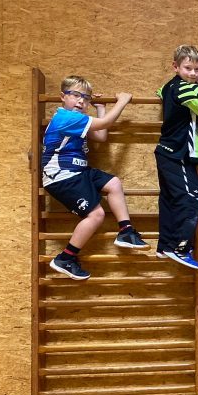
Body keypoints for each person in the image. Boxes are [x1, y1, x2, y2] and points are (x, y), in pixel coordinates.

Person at [41, 75, 147, 281]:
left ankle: (126, 231)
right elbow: (106, 123)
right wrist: (122, 101)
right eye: (75, 95)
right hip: (61, 177)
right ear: (63, 97)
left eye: (86, 98)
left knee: (113, 183)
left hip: (78, 171)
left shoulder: (76, 121)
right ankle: (66, 258)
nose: (81, 101)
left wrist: (100, 108)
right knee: (96, 215)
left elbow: (100, 136)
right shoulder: (66, 118)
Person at [154, 44, 198, 270]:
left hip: (170, 153)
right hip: (177, 153)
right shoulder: (187, 89)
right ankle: (179, 247)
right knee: (192, 199)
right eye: (188, 68)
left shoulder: (169, 87)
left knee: (170, 201)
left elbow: (160, 92)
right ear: (175, 66)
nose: (193, 74)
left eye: (197, 69)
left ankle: (165, 246)